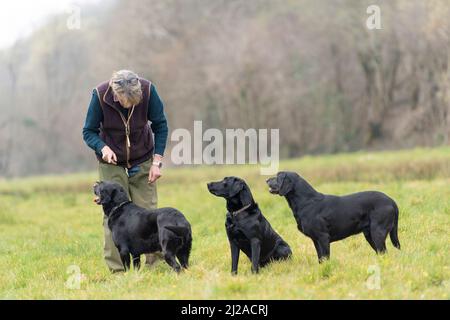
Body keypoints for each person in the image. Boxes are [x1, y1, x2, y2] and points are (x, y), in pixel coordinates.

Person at [82, 69, 168, 272]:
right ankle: (118, 270)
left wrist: (157, 162)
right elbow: (88, 131)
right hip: (111, 162)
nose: (126, 105)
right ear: (114, 93)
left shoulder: (148, 90)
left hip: (143, 157)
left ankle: (155, 266)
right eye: (122, 101)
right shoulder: (100, 95)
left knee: (148, 212)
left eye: (132, 102)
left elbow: (160, 125)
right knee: (113, 215)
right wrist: (102, 147)